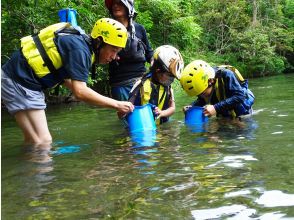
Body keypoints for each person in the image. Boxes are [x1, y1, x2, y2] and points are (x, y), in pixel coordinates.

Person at [1, 18, 134, 144]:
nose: (114, 57)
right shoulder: (81, 50)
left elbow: (68, 81)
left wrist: (89, 93)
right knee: (42, 142)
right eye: (113, 50)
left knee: (34, 141)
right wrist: (117, 104)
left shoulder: (79, 43)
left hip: (15, 79)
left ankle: (27, 166)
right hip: (21, 82)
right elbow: (80, 92)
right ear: (99, 42)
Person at [104, 0, 153, 101]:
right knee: (128, 115)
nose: (115, 6)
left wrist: (155, 63)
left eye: (119, 3)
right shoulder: (107, 29)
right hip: (120, 83)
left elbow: (149, 53)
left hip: (142, 80)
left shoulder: (139, 29)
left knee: (150, 113)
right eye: (113, 4)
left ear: (128, 7)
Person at [128, 45, 184, 124]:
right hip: (143, 127)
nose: (171, 80)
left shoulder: (168, 87)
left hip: (161, 128)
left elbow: (172, 108)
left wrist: (162, 113)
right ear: (158, 70)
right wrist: (123, 111)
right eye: (169, 76)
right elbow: (125, 110)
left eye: (173, 77)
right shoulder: (140, 85)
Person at [180, 60, 255, 119]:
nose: (202, 97)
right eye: (198, 95)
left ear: (210, 81)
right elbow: (203, 100)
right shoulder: (204, 86)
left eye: (202, 94)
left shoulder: (227, 75)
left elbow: (240, 96)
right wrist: (192, 106)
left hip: (243, 116)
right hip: (225, 114)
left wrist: (215, 108)